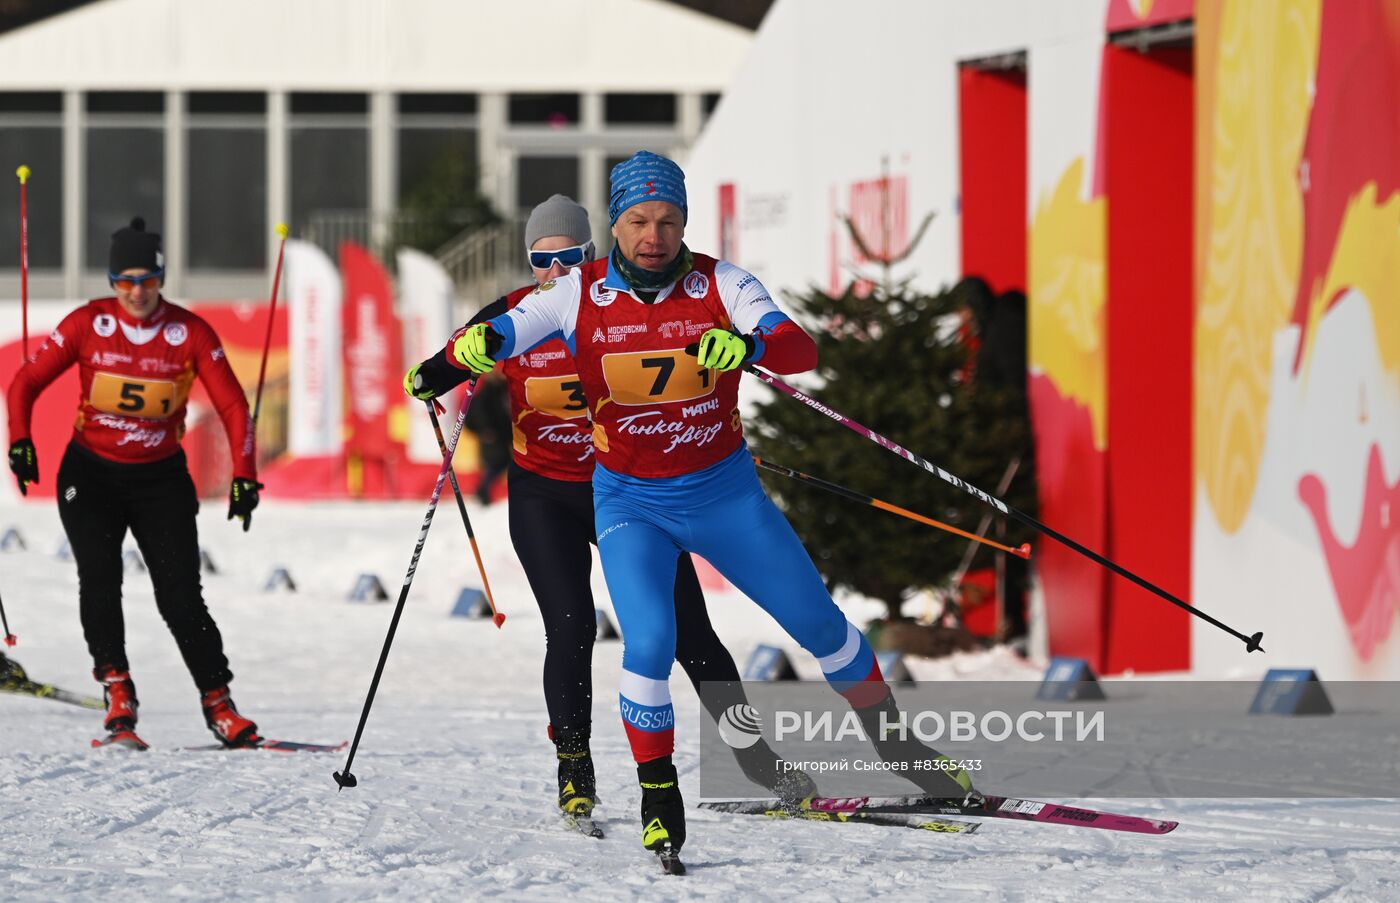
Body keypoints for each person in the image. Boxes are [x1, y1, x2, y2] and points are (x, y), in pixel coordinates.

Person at [449, 154, 976, 859]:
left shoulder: (721, 282)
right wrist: (481, 343)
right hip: (632, 504)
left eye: (668, 221)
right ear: (615, 224)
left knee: (821, 625)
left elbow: (799, 346)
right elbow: (513, 327)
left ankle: (906, 754)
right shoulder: (578, 292)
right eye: (638, 221)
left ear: (684, 223)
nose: (653, 235)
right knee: (651, 645)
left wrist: (752, 342)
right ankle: (658, 798)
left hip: (725, 496)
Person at [404, 194, 806, 830]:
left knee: (688, 632)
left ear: (592, 255)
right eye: (543, 260)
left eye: (571, 257)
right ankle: (574, 770)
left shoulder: (611, 308)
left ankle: (755, 758)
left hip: (625, 494)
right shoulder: (515, 313)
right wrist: (426, 377)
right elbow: (451, 360)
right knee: (571, 628)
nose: (557, 273)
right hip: (543, 496)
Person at [6, 217, 265, 749]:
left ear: (161, 277)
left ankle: (219, 703)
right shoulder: (87, 324)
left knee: (180, 596)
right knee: (100, 580)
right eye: (124, 280)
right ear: (110, 281)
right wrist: (21, 439)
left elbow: (234, 406)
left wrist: (245, 475)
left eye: (146, 279)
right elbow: (25, 381)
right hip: (90, 475)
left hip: (159, 480)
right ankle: (117, 688)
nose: (136, 291)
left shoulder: (189, 333)